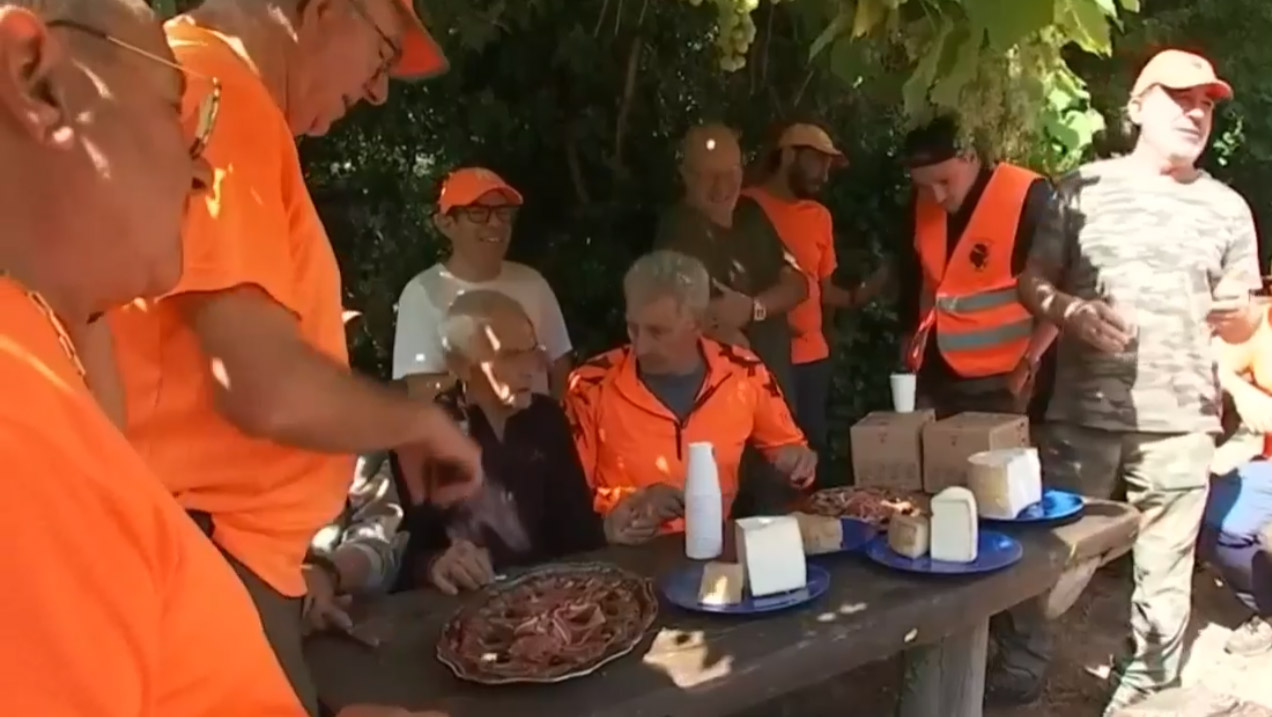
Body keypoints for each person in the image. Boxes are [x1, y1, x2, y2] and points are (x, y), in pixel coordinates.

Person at [0, 1, 439, 714]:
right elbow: (264, 387)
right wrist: (420, 424)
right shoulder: (19, 430)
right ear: (37, 80)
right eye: (179, 114)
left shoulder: (43, 373)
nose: (203, 174)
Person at [1014, 49, 1260, 714]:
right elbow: (1031, 282)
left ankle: (1144, 688)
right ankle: (1019, 667)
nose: (1196, 112)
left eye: (1206, 102)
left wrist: (1239, 316)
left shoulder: (1227, 208)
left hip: (1181, 421)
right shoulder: (1082, 189)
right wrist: (1070, 311)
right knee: (1052, 556)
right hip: (1083, 414)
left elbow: (1241, 324)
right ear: (1137, 106)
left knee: (1164, 572)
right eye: (1179, 97)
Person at [399, 290, 652, 594]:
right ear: (460, 365)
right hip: (464, 607)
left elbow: (574, 533)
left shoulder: (546, 419)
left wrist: (608, 527)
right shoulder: (426, 436)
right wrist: (436, 564)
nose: (529, 367)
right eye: (509, 355)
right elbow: (402, 556)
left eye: (531, 350)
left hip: (550, 598)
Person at [565, 250, 817, 534]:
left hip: (714, 554)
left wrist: (798, 463)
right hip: (624, 559)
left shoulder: (743, 372)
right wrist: (631, 503)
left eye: (657, 332)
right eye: (632, 328)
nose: (641, 346)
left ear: (698, 324)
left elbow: (790, 449)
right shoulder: (590, 385)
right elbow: (567, 497)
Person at [894, 116, 1057, 419]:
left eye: (945, 182)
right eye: (925, 187)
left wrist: (1030, 363)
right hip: (939, 379)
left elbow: (1063, 287)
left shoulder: (1027, 196)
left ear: (970, 157)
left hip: (1010, 378)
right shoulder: (920, 204)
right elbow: (917, 280)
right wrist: (911, 351)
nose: (937, 196)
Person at [655, 123, 807, 402]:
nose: (722, 186)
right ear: (685, 176)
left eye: (730, 173)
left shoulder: (751, 214)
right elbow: (680, 318)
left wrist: (754, 308)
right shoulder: (679, 232)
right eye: (708, 176)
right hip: (723, 407)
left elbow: (798, 284)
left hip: (776, 400)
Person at [393, 167, 573, 401]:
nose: (495, 222)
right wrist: (487, 375)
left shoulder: (533, 283)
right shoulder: (421, 293)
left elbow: (560, 368)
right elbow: (416, 390)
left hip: (533, 433)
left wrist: (551, 424)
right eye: (478, 212)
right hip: (460, 436)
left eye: (503, 212)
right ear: (446, 224)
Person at [743, 123, 858, 482]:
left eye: (828, 166)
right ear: (789, 155)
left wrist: (867, 292)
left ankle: (813, 533)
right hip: (762, 357)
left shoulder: (819, 216)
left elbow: (824, 293)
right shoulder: (746, 207)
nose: (824, 175)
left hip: (813, 360)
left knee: (811, 454)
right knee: (768, 462)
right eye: (817, 162)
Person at [1199, 298, 1272, 656]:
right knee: (1215, 523)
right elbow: (1207, 359)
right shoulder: (1262, 322)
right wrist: (1241, 391)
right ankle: (1269, 609)